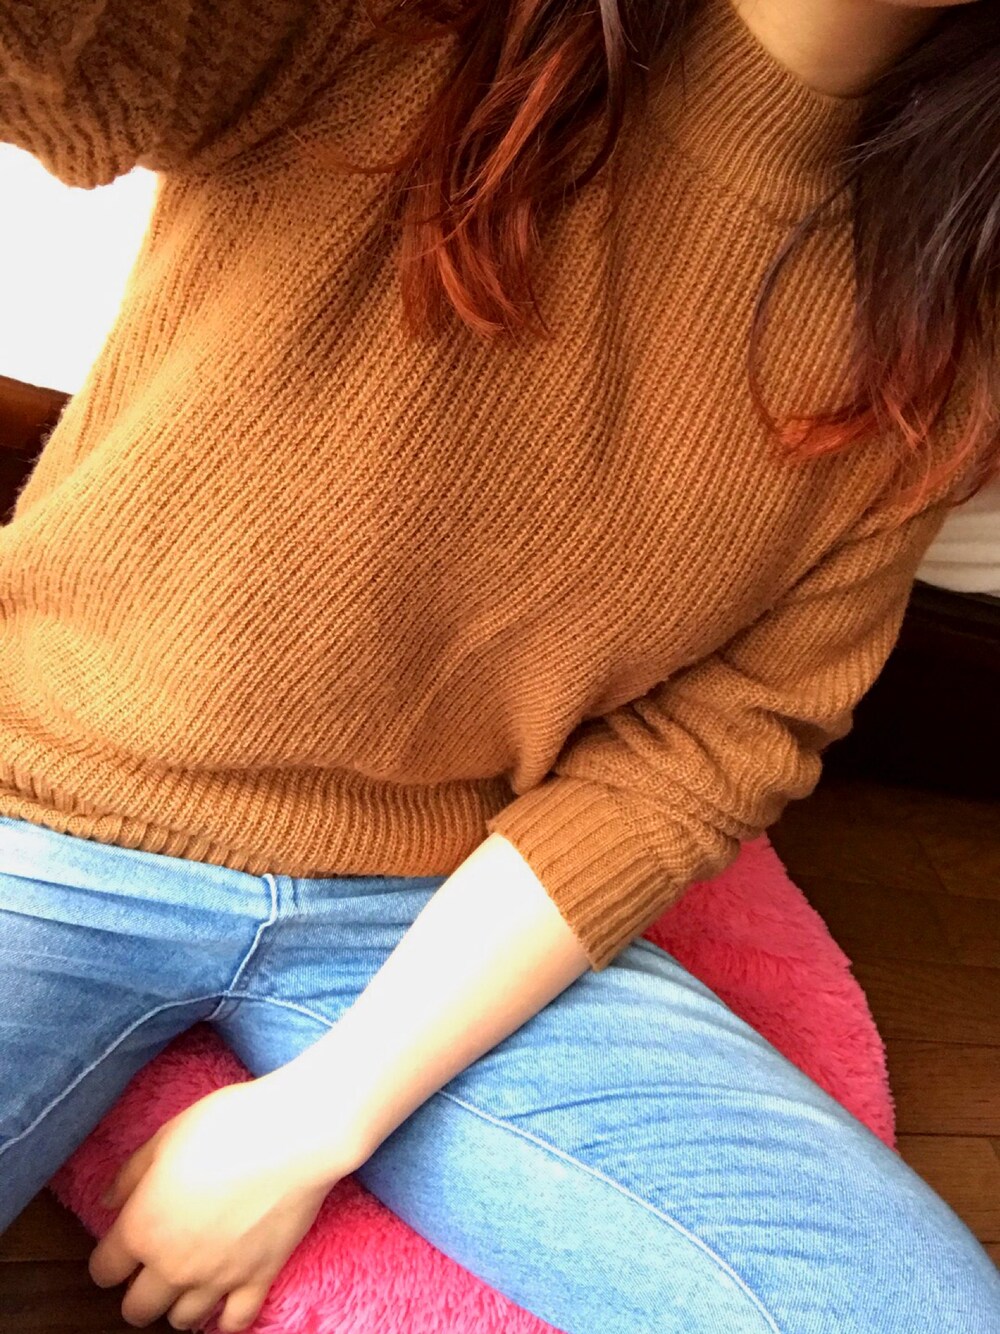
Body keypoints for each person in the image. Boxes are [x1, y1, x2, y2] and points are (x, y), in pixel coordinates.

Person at [0, 0, 997, 1329]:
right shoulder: (408, 29)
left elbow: (708, 750)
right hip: (43, 795)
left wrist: (320, 1117)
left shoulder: (950, 325)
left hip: (430, 902)